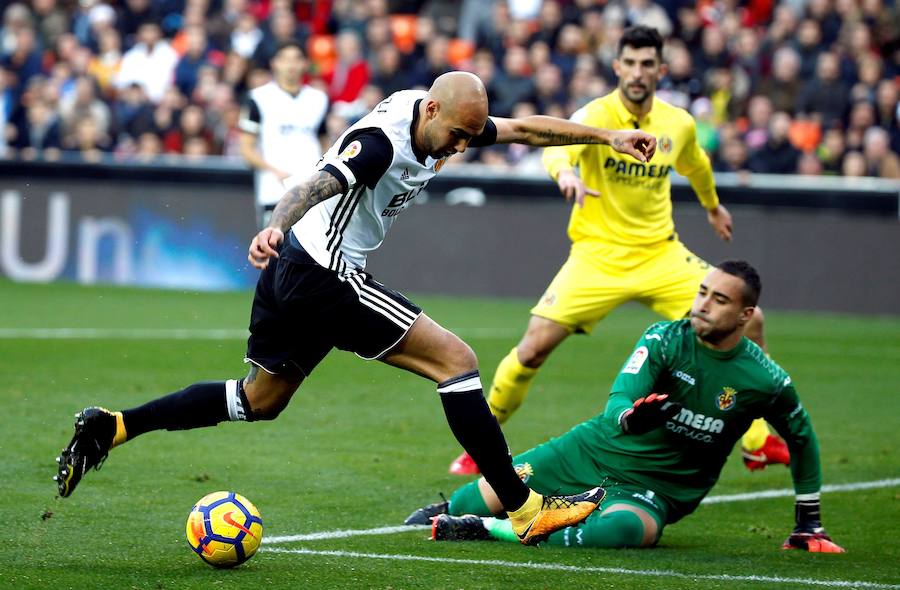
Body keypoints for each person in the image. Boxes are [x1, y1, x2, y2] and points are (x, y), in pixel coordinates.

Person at [53, 71, 658, 546]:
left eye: (470, 139)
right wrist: (274, 225)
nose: (459, 149)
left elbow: (525, 130)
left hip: (296, 271)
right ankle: (524, 510)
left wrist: (607, 138)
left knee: (256, 401)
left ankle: (115, 425)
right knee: (457, 361)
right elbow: (314, 183)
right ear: (430, 111)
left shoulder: (446, 116)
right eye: (456, 136)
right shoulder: (378, 145)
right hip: (322, 273)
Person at [448, 25, 787, 477]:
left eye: (648, 64)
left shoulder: (677, 124)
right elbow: (555, 150)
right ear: (617, 67)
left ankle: (758, 440)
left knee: (753, 320)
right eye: (630, 63)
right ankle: (482, 446)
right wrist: (565, 176)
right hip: (597, 256)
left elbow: (697, 165)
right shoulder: (594, 114)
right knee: (531, 350)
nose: (638, 72)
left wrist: (712, 206)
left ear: (660, 70)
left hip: (660, 255)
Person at [413, 262, 844, 554]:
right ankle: (466, 512)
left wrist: (808, 522)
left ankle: (491, 531)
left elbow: (801, 437)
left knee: (624, 531)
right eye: (702, 292)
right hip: (590, 452)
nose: (703, 305)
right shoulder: (665, 339)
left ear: (746, 314)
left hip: (657, 488)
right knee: (473, 496)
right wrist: (631, 417)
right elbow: (620, 398)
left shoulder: (766, 379)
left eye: (719, 300)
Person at [239, 39, 329, 228]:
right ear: (275, 63)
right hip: (273, 189)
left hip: (311, 189)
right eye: (285, 59)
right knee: (273, 251)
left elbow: (325, 143)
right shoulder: (258, 98)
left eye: (297, 59)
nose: (291, 65)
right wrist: (274, 171)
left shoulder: (318, 99)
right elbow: (246, 149)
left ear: (305, 64)